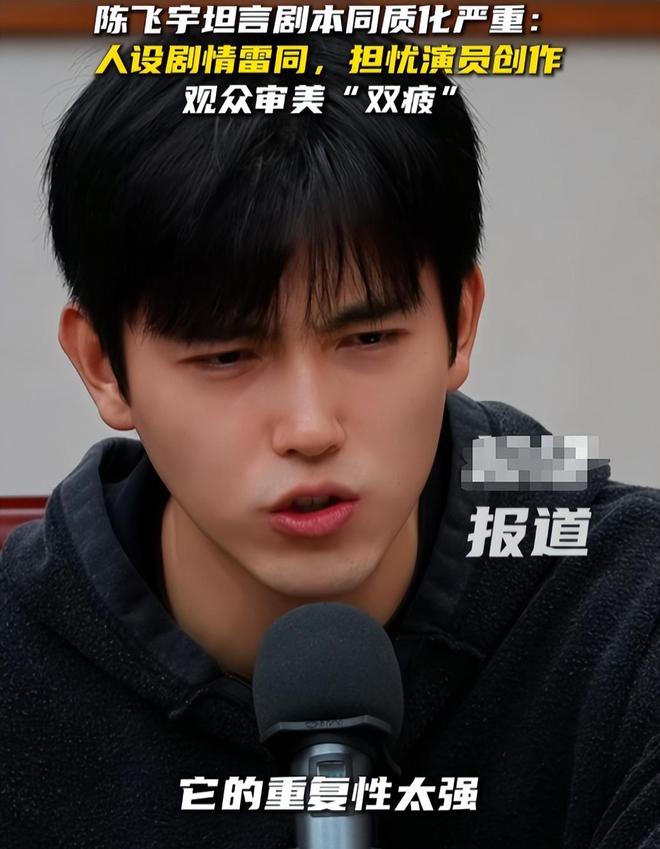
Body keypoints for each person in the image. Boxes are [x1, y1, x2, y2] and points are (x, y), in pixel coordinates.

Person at [1, 29, 658, 849]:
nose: (310, 428)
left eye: (368, 338)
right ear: (104, 365)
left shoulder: (628, 603)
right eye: (227, 355)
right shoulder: (20, 666)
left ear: (459, 324)